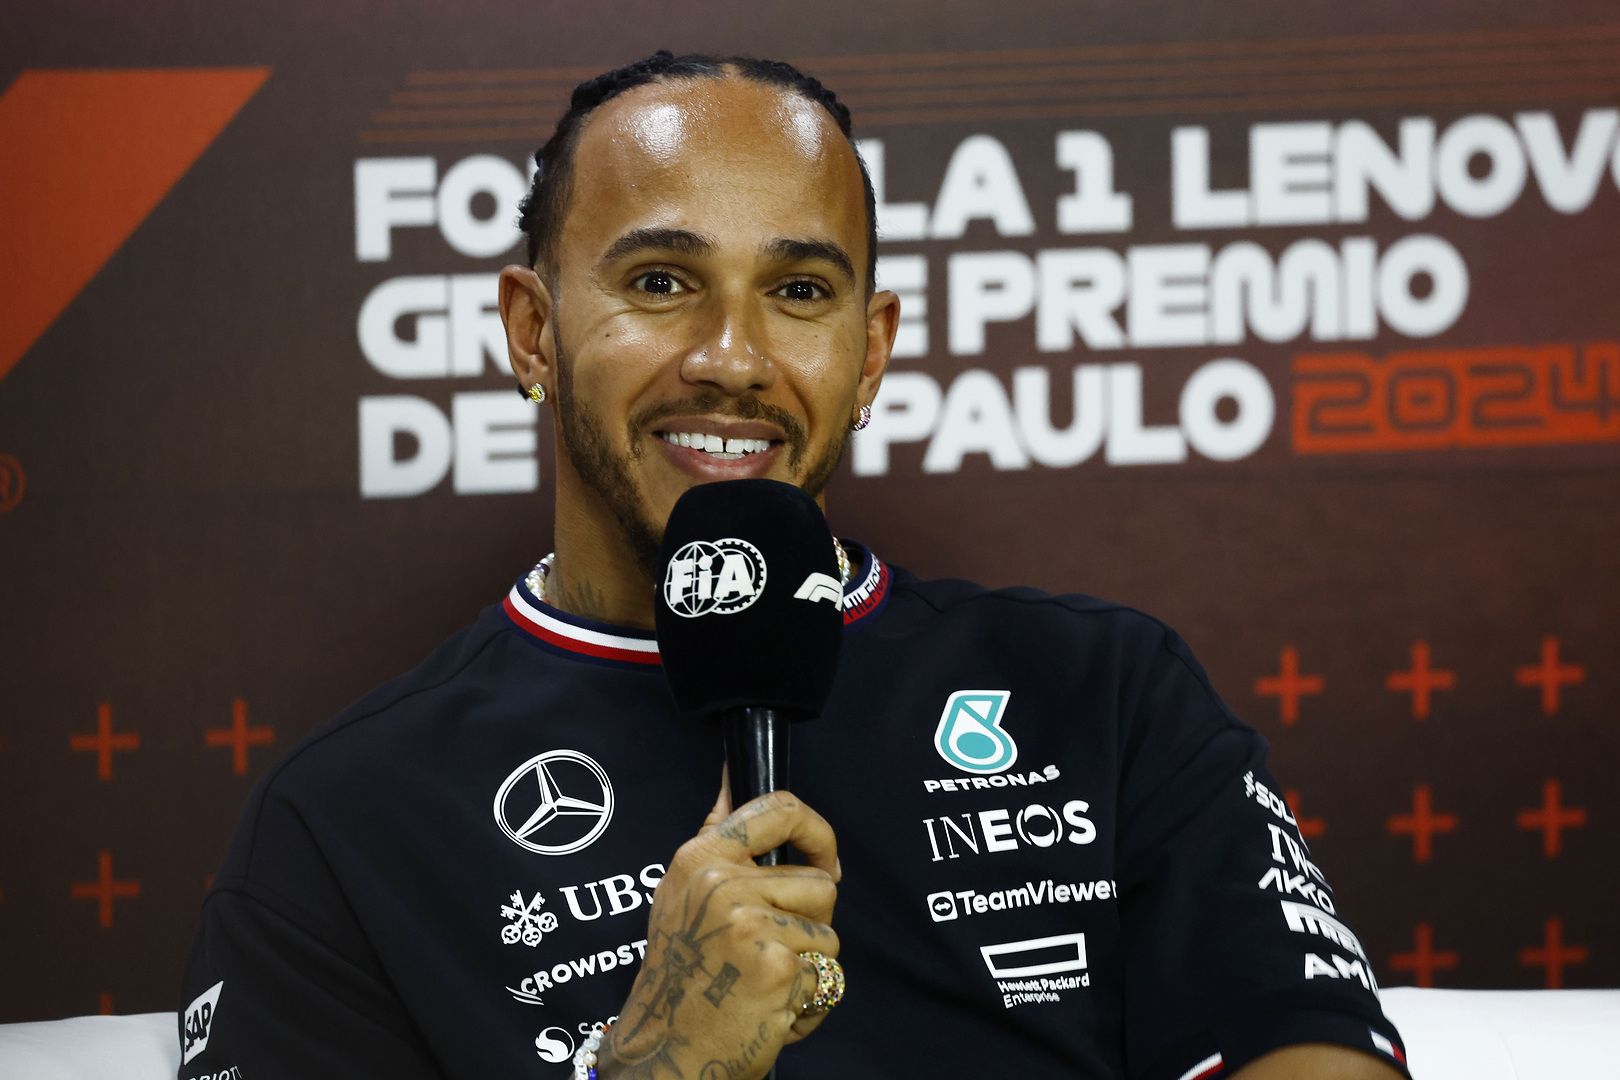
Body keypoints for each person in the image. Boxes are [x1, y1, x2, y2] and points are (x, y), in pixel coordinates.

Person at [178, 52, 1410, 1080]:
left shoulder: (1105, 693)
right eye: (661, 283)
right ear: (532, 331)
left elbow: (1308, 1055)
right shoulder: (341, 824)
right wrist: (663, 1062)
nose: (732, 356)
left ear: (869, 353)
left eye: (799, 290)